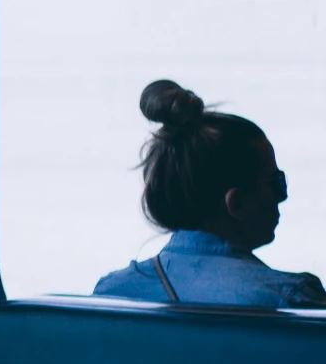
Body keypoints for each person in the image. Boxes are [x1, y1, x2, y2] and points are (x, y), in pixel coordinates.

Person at [93, 79, 325, 308]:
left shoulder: (113, 292)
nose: (281, 196)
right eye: (276, 182)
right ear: (237, 204)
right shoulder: (292, 298)